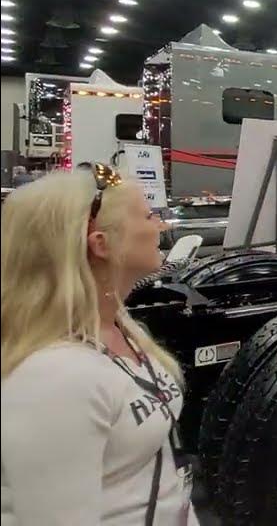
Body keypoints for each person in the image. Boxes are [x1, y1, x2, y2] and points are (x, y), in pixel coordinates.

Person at [1, 164, 198, 524]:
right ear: (101, 244)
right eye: (148, 215)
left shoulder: (117, 324)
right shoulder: (55, 377)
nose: (161, 225)